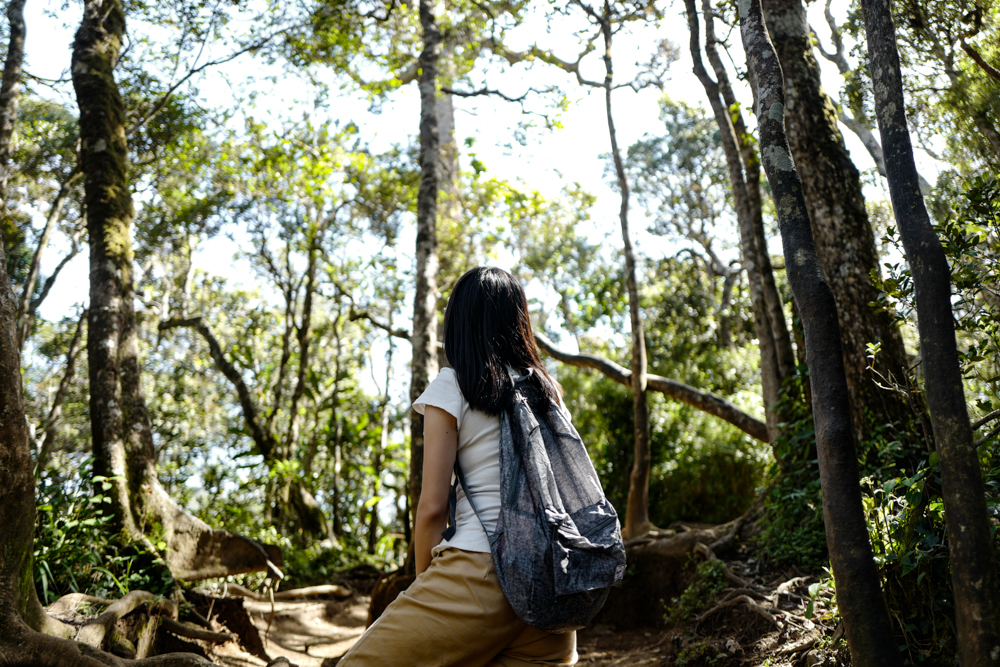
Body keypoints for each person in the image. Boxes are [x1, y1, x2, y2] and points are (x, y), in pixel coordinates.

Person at [338, 267, 578, 666]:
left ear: (460, 322)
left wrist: (422, 588)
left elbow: (433, 507)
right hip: (552, 588)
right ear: (519, 322)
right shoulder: (547, 391)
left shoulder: (455, 384)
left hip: (479, 574)